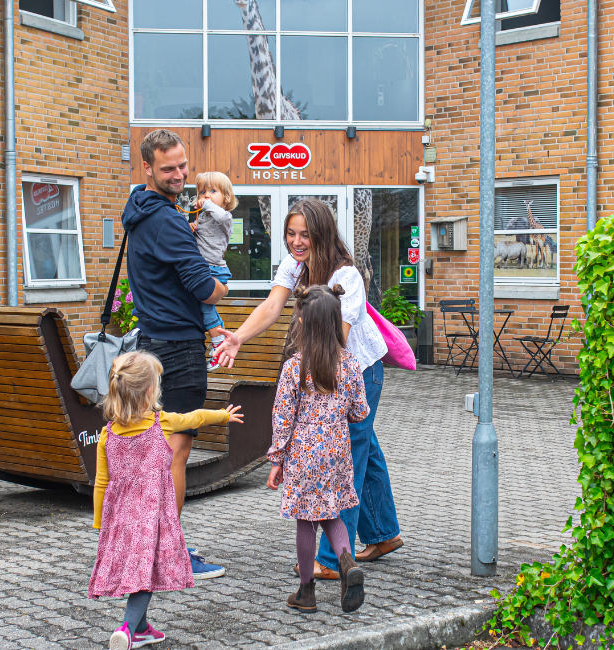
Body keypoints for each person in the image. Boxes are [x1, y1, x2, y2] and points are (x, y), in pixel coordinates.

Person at [213, 199, 404, 581]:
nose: (296, 242)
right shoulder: (295, 264)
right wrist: (238, 339)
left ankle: (333, 561)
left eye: (305, 235)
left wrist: (304, 388)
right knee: (366, 450)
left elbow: (338, 340)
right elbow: (271, 307)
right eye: (291, 234)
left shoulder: (347, 277)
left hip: (357, 374)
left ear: (322, 234)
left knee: (347, 461)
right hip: (327, 371)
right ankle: (384, 534)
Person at [122, 128, 230, 579]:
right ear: (147, 167)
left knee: (156, 453)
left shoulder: (139, 211)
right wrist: (221, 286)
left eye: (183, 166)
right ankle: (169, 555)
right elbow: (206, 288)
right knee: (174, 453)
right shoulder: (167, 221)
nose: (180, 175)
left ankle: (145, 546)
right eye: (168, 169)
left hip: (150, 345)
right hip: (179, 351)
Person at [89, 351, 244, 649]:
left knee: (138, 569)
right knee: (145, 573)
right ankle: (127, 628)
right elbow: (195, 417)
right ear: (150, 392)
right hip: (152, 517)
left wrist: (100, 522)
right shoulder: (163, 423)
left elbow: (101, 481)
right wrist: (224, 415)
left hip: (121, 517)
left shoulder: (107, 435)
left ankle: (143, 627)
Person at [266, 285, 371, 614]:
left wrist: (276, 459)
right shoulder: (350, 365)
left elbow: (283, 417)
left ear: (303, 321)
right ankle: (347, 564)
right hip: (337, 452)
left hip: (303, 452)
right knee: (332, 514)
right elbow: (360, 411)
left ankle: (306, 591)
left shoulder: (295, 367)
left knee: (305, 522)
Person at [191, 171, 237, 369]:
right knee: (203, 307)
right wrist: (192, 228)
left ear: (226, 198)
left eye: (212, 191)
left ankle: (218, 343)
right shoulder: (204, 217)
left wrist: (206, 203)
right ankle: (217, 343)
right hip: (204, 268)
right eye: (202, 192)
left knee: (205, 306)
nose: (206, 196)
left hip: (214, 270)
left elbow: (220, 215)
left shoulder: (225, 217)